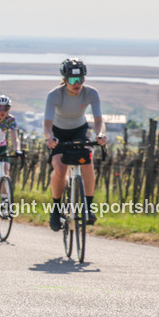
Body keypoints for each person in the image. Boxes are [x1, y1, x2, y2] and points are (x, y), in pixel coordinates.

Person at [44, 58, 106, 231]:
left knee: (88, 161)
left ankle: (88, 206)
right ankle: (56, 209)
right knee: (60, 167)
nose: (77, 83)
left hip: (80, 130)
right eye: (72, 80)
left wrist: (100, 134)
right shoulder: (54, 95)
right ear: (64, 80)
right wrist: (49, 137)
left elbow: (99, 120)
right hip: (58, 132)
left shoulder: (91, 93)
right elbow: (47, 125)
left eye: (80, 79)